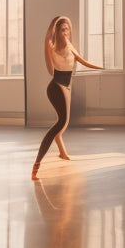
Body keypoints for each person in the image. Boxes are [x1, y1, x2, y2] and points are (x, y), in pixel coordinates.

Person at [31, 15, 102, 180]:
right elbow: (48, 37)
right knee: (61, 122)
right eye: (61, 29)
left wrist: (103, 67)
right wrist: (54, 22)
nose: (64, 32)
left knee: (63, 123)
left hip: (67, 87)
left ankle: (62, 153)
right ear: (56, 31)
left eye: (66, 29)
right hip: (56, 87)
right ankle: (37, 164)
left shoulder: (70, 46)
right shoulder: (51, 46)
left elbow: (83, 62)